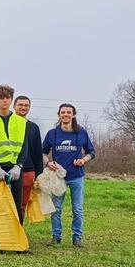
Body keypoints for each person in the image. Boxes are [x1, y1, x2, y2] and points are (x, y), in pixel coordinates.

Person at [0, 84, 30, 244]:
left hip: (14, 169)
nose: (4, 101)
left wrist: (19, 166)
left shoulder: (21, 122)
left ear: (11, 100)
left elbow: (24, 146)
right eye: (1, 98)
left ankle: (14, 242)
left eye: (7, 98)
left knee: (16, 205)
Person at [42, 104, 95, 247]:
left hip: (77, 176)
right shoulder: (52, 133)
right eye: (63, 112)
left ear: (73, 115)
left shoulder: (81, 132)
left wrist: (83, 160)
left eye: (68, 112)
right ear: (59, 114)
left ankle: (77, 238)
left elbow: (91, 152)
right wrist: (48, 163)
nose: (65, 114)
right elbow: (43, 152)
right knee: (56, 208)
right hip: (58, 178)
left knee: (77, 209)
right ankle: (56, 236)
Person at [14, 95, 44, 218]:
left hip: (28, 170)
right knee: (9, 204)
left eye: (26, 105)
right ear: (14, 106)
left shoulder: (33, 127)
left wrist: (39, 175)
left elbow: (38, 152)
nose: (23, 107)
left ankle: (19, 228)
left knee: (22, 204)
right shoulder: (8, 124)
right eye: (20, 105)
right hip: (10, 169)